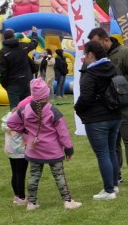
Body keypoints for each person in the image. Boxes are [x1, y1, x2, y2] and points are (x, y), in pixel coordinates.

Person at [6, 78, 81, 210]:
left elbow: (11, 122)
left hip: (34, 149)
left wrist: (25, 131)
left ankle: (32, 203)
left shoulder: (24, 110)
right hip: (53, 150)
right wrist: (68, 148)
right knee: (59, 175)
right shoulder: (53, 111)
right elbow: (63, 132)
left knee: (34, 176)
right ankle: (68, 201)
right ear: (46, 94)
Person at [87, 27, 128, 189]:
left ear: (106, 40)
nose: (94, 48)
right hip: (108, 108)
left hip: (126, 107)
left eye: (96, 43)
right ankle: (115, 175)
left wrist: (127, 96)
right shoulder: (99, 58)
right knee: (112, 144)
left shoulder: (125, 53)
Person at [74, 40, 123, 201]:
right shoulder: (113, 68)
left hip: (97, 119)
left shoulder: (91, 74)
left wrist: (77, 108)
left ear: (90, 54)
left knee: (103, 154)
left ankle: (109, 190)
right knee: (111, 151)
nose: (84, 58)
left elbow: (86, 97)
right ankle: (114, 185)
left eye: (85, 55)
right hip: (115, 115)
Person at [2, 95, 33, 206]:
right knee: (21, 174)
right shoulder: (21, 118)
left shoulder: (8, 117)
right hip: (20, 150)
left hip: (10, 150)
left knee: (15, 173)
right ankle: (22, 198)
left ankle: (16, 196)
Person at [0, 27, 39, 109]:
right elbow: (34, 43)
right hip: (26, 81)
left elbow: (2, 72)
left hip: (13, 84)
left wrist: (5, 85)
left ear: (3, 38)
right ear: (14, 36)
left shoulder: (3, 52)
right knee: (28, 108)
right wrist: (34, 33)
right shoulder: (23, 46)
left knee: (15, 110)